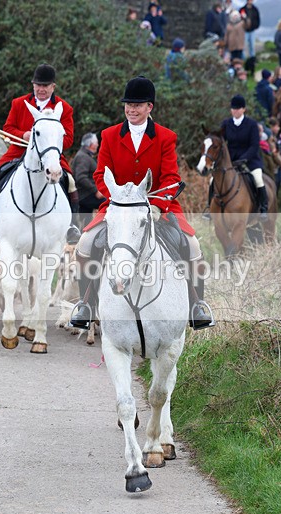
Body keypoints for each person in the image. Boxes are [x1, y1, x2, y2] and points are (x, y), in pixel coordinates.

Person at [69, 76, 214, 331]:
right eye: (128, 105)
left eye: (137, 105)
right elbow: (100, 175)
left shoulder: (166, 137)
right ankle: (86, 303)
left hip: (158, 207)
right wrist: (116, 196)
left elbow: (171, 178)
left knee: (191, 245)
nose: (131, 110)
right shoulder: (109, 135)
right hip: (118, 207)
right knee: (86, 242)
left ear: (150, 107)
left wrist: (157, 205)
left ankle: (196, 305)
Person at [0, 64, 78, 242]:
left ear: (53, 87)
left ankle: (72, 226)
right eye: (38, 85)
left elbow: (69, 139)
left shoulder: (64, 108)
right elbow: (8, 128)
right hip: (18, 151)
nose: (41, 89)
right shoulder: (19, 103)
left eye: (45, 85)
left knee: (71, 183)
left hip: (49, 155)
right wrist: (25, 135)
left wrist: (48, 142)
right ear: (33, 84)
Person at [214, 94, 269, 218]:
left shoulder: (251, 124)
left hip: (250, 159)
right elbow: (221, 142)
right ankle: (210, 208)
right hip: (231, 161)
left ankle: (263, 207)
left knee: (258, 178)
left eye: (238, 108)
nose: (235, 111)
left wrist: (244, 158)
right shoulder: (226, 123)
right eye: (233, 108)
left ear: (243, 109)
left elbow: (254, 145)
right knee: (213, 179)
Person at [71, 132, 102, 227]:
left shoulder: (85, 155)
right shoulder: (83, 157)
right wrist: (96, 191)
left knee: (85, 223)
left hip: (86, 194)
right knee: (109, 203)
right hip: (86, 195)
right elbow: (81, 177)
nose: (97, 145)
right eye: (96, 143)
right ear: (91, 145)